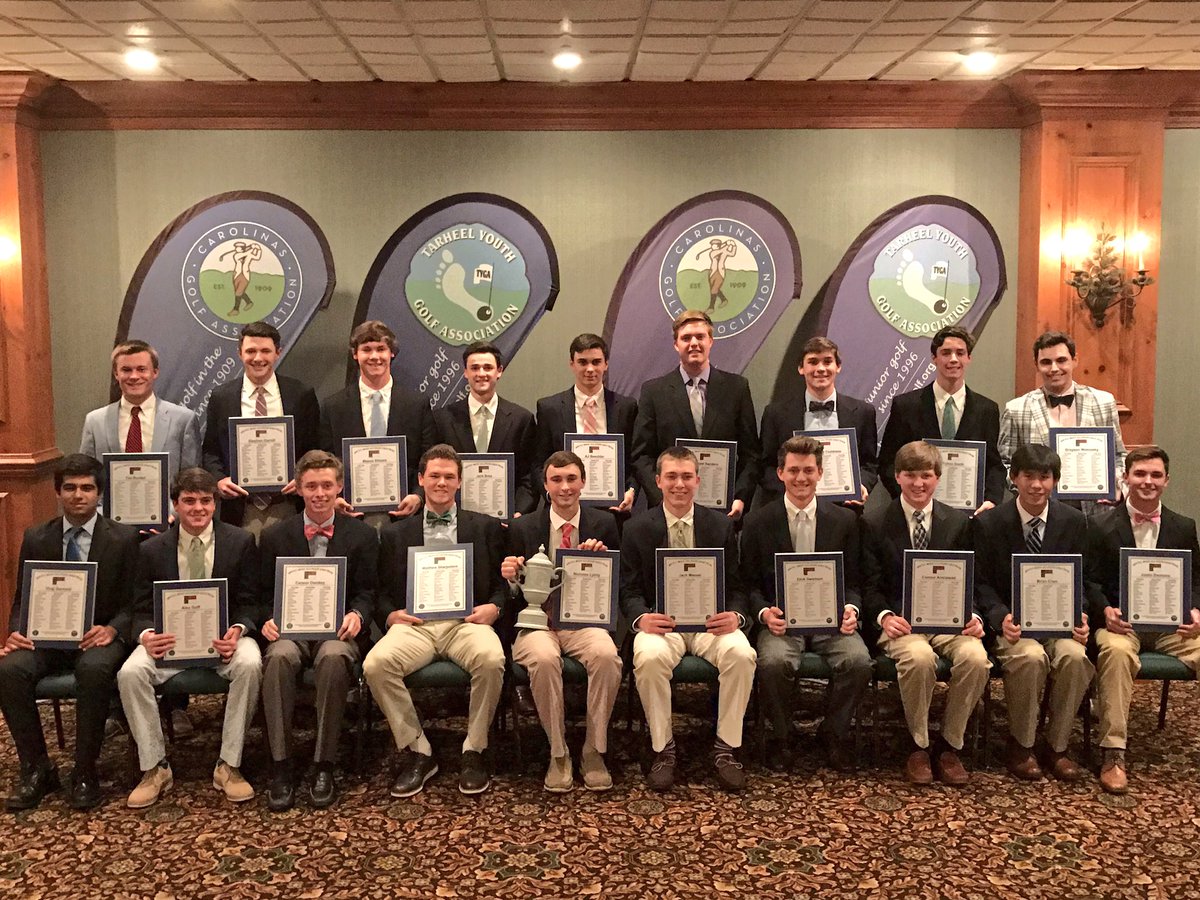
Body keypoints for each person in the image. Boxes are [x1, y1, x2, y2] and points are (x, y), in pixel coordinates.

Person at [0, 454, 140, 810]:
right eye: (70, 488)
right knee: (9, 669)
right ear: (57, 492)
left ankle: (84, 770)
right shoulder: (36, 536)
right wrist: (16, 631)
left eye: (87, 488)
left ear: (99, 494)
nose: (79, 495)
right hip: (45, 637)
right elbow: (22, 598)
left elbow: (135, 602)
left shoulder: (123, 539)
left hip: (98, 638)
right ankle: (37, 767)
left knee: (93, 670)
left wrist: (112, 629)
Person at [117, 467, 263, 808]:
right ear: (174, 506)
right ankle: (155, 767)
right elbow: (138, 608)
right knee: (130, 672)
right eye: (189, 501)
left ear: (215, 504)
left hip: (223, 640)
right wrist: (147, 635)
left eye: (206, 501)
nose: (198, 508)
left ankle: (229, 765)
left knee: (251, 662)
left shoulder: (240, 542)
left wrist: (238, 630)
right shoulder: (151, 549)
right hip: (169, 642)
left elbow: (251, 602)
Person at [368, 444, 507, 797]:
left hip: (468, 623)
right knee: (376, 665)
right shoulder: (396, 534)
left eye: (449, 476)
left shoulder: (486, 527)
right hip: (416, 626)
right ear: (420, 480)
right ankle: (418, 749)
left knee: (492, 660)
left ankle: (474, 748)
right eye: (434, 476)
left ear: (460, 482)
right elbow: (381, 590)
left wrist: (494, 608)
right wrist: (390, 614)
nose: (441, 482)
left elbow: (503, 586)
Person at [620, 446, 756, 792]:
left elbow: (738, 585)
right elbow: (628, 589)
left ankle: (726, 748)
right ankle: (663, 749)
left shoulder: (719, 526)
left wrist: (736, 616)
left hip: (712, 624)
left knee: (742, 654)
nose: (679, 484)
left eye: (686, 477)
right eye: (671, 477)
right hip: (662, 625)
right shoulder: (637, 528)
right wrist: (641, 618)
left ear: (698, 480)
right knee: (647, 656)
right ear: (658, 481)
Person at [862, 441, 990, 785]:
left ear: (938, 477)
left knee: (976, 659)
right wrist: (885, 616)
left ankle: (950, 745)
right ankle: (917, 745)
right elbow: (868, 585)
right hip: (901, 624)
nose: (919, 484)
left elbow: (973, 580)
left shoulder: (959, 523)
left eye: (927, 476)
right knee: (918, 658)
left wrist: (974, 616)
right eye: (910, 475)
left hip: (949, 620)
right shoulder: (874, 522)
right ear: (897, 477)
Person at [741, 436, 872, 772]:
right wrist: (764, 613)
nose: (801, 478)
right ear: (780, 473)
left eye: (809, 471)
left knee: (858, 662)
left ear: (821, 473)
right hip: (781, 623)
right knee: (772, 663)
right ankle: (783, 738)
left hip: (832, 623)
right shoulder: (758, 521)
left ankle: (832, 733)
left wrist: (851, 610)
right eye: (794, 470)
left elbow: (856, 580)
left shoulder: (845, 521)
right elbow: (749, 583)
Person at [258, 450, 376, 811]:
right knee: (277, 659)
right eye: (311, 486)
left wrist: (358, 613)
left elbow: (369, 590)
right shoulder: (275, 535)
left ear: (340, 486)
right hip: (290, 632)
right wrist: (266, 618)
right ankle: (281, 764)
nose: (320, 493)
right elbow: (261, 593)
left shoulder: (363, 535)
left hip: (337, 632)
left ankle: (324, 763)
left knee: (334, 658)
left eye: (327, 485)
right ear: (298, 489)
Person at [972, 443, 1095, 781]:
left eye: (1045, 477)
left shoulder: (1072, 522)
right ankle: (1022, 744)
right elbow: (980, 584)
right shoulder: (990, 524)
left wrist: (1081, 615)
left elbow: (1082, 579)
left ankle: (1057, 747)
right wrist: (1000, 618)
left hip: (1059, 623)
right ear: (1014, 478)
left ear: (1055, 481)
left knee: (1074, 657)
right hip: (1013, 626)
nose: (1037, 485)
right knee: (1029, 657)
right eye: (1029, 476)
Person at [501, 451, 622, 792]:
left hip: (584, 622)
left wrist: (601, 562)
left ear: (583, 482)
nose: (565, 487)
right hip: (537, 622)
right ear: (545, 485)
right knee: (542, 658)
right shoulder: (523, 527)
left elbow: (617, 586)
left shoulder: (605, 525)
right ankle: (558, 751)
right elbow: (511, 590)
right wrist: (511, 576)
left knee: (606, 656)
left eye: (571, 479)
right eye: (557, 479)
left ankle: (594, 749)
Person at [1086, 446, 1200, 793]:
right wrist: (1104, 610)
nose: (1147, 482)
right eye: (1140, 474)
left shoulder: (1183, 526)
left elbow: (1195, 580)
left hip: (1173, 627)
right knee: (1117, 654)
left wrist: (1196, 611)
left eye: (1155, 475)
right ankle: (1114, 752)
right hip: (1122, 625)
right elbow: (1088, 580)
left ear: (1167, 480)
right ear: (1125, 477)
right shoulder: (1100, 525)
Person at [631, 309, 760, 519]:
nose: (693, 343)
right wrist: (662, 498)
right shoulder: (654, 391)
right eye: (686, 338)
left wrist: (740, 497)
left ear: (711, 341)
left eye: (700, 337)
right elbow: (641, 455)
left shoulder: (737, 388)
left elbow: (751, 454)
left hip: (723, 512)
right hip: (667, 510)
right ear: (676, 344)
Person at [202, 321, 320, 536]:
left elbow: (315, 447)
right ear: (240, 353)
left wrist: (304, 476)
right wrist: (219, 480)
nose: (258, 358)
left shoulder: (301, 394)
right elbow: (210, 451)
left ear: (278, 353)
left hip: (289, 505)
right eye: (251, 351)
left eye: (265, 351)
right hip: (239, 508)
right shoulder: (222, 397)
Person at [877, 325, 1006, 514]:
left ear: (969, 358)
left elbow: (994, 465)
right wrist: (909, 498)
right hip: (914, 511)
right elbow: (888, 461)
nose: (953, 359)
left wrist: (991, 500)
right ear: (934, 358)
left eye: (960, 353)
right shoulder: (906, 406)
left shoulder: (987, 409)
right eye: (946, 353)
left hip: (970, 514)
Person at [318, 320, 437, 524]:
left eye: (381, 349)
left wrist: (419, 495)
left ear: (392, 353)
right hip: (351, 515)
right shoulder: (333, 407)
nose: (374, 356)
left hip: (406, 514)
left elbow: (429, 458)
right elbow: (325, 460)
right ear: (355, 354)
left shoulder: (417, 405)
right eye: (367, 349)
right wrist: (334, 498)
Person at [999, 330, 1127, 501]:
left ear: (1075, 360)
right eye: (1046, 362)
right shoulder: (1016, 409)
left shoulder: (1103, 402)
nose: (1054, 369)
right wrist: (1029, 488)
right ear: (1036, 365)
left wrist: (1115, 486)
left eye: (1061, 360)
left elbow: (1119, 456)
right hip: (1041, 510)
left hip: (1094, 509)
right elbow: (1005, 464)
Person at [758, 336, 878, 505]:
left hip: (846, 511)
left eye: (827, 361)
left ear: (838, 367)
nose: (821, 368)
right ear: (801, 368)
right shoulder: (776, 414)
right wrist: (793, 491)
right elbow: (766, 466)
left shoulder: (863, 413)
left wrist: (861, 486)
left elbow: (869, 464)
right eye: (813, 362)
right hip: (792, 510)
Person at [532, 333, 638, 514]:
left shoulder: (626, 407)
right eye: (582, 362)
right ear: (571, 364)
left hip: (613, 512)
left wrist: (631, 491)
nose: (590, 369)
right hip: (564, 511)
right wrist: (551, 494)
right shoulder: (550, 408)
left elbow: (634, 458)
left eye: (596, 362)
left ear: (606, 364)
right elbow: (538, 463)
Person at [433, 341, 537, 515]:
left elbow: (528, 476)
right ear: (465, 372)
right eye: (474, 368)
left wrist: (518, 511)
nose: (481, 373)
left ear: (499, 371)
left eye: (488, 367)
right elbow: (434, 471)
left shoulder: (522, 419)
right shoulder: (441, 419)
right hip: (456, 518)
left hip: (506, 521)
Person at [80, 340, 201, 488]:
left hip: (167, 510)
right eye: (126, 370)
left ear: (155, 372)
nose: (134, 376)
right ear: (116, 374)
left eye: (141, 369)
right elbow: (85, 477)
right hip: (110, 510)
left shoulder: (183, 420)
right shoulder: (94, 421)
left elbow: (190, 480)